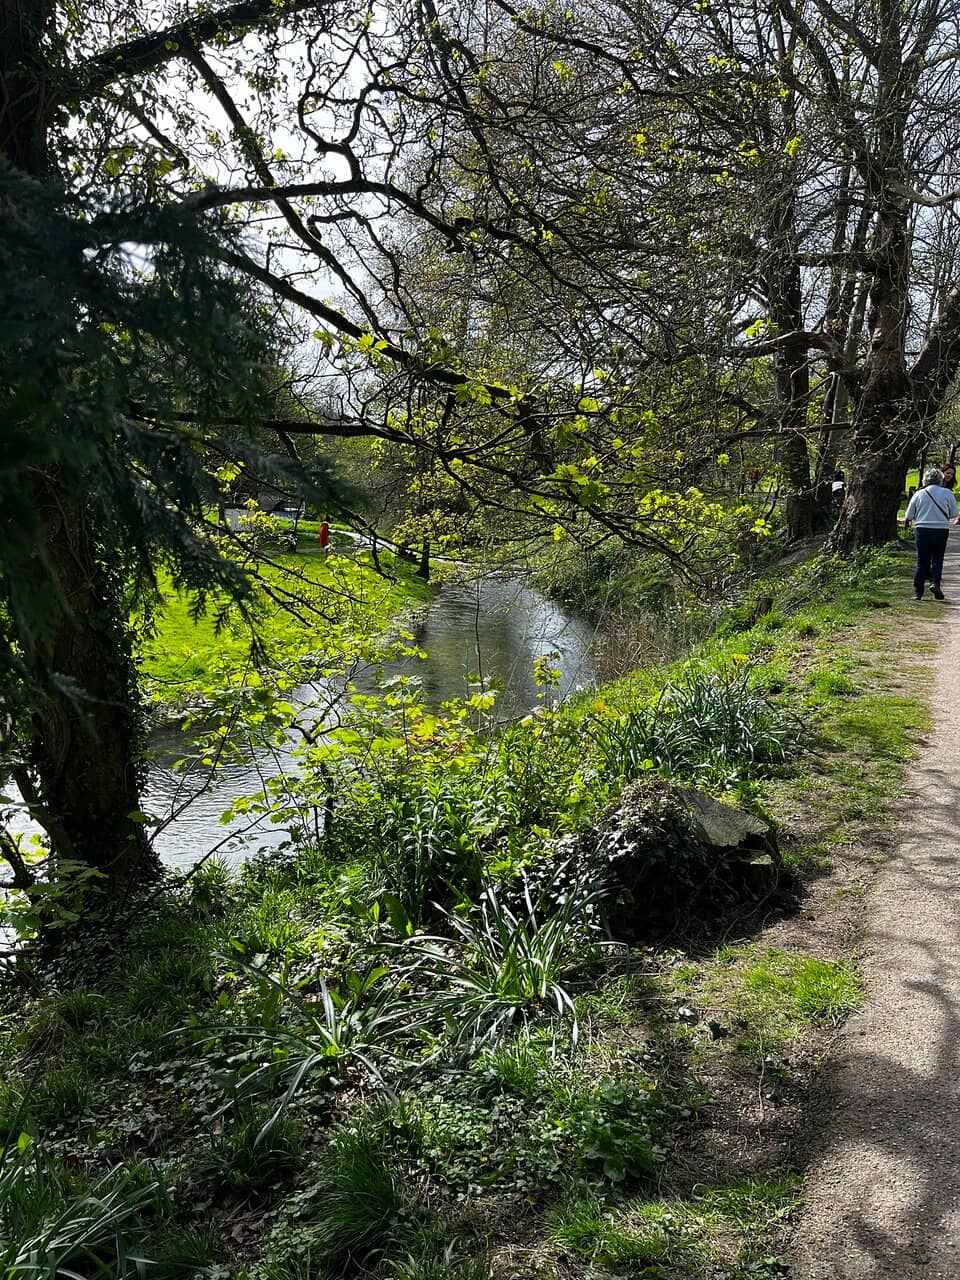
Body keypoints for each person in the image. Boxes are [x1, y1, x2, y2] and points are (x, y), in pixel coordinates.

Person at [904, 467, 958, 600]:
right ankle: (935, 582)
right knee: (937, 559)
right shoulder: (947, 493)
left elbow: (908, 515)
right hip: (941, 530)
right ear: (940, 479)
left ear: (925, 480)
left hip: (922, 529)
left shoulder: (919, 494)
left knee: (922, 561)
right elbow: (954, 514)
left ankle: (918, 592)